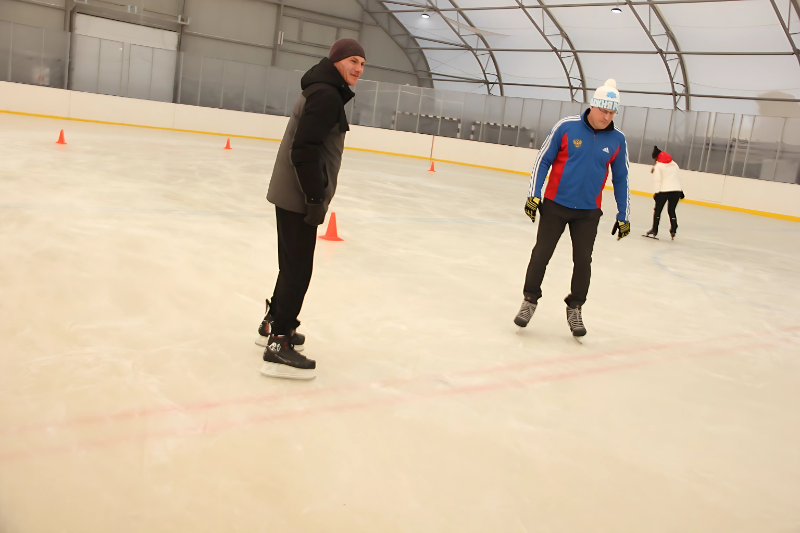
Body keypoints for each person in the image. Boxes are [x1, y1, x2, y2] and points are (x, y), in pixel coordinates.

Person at [256, 39, 365, 380]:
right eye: (353, 61)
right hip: (299, 195)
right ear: (336, 61)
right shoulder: (326, 95)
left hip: (291, 192)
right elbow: (304, 150)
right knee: (299, 270)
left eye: (362, 63)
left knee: (291, 265)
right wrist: (315, 199)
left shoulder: (323, 89)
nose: (359, 69)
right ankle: (279, 341)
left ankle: (275, 320)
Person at [514, 79, 631, 339]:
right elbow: (543, 160)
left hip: (588, 212)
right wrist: (534, 194)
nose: (607, 117)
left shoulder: (617, 139)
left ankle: (575, 307)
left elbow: (621, 178)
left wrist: (624, 214)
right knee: (541, 254)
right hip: (555, 205)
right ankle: (529, 300)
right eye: (604, 111)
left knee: (583, 260)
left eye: (612, 113)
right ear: (593, 106)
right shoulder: (566, 127)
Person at [645, 145, 684, 240]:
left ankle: (654, 230)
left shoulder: (658, 166)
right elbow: (678, 178)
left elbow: (657, 180)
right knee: (671, 210)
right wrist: (681, 190)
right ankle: (674, 228)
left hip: (664, 191)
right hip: (676, 190)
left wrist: (656, 193)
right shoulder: (674, 164)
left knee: (657, 211)